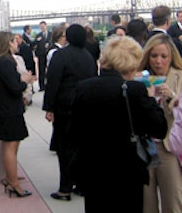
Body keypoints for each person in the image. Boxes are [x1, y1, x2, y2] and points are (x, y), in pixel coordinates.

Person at [70, 36, 168, 213]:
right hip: (127, 170)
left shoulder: (83, 87)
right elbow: (159, 128)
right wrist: (152, 100)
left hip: (93, 169)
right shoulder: (134, 89)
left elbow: (73, 130)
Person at [42, 24, 97, 201]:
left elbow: (53, 82)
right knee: (82, 147)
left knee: (64, 147)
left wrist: (49, 108)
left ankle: (65, 188)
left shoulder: (61, 55)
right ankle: (81, 185)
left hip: (65, 106)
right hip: (85, 105)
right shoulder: (88, 56)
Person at [138, 33, 182, 213]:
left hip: (169, 148)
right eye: (154, 56)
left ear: (172, 57)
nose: (158, 61)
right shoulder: (140, 79)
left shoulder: (179, 78)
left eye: (164, 56)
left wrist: (173, 98)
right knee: (146, 204)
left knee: (173, 201)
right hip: (145, 148)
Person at [0, 31, 34, 197]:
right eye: (14, 41)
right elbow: (15, 87)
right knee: (11, 146)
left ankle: (12, 178)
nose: (17, 43)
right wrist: (25, 80)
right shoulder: (5, 62)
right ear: (8, 43)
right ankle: (13, 183)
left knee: (12, 145)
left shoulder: (3, 62)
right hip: (9, 110)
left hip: (8, 109)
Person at [34, 21, 51, 91]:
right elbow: (35, 45)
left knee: (50, 69)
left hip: (49, 54)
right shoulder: (38, 35)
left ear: (46, 26)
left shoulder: (51, 34)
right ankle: (41, 86)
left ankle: (49, 84)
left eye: (43, 26)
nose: (42, 27)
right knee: (41, 71)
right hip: (41, 55)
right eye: (41, 27)